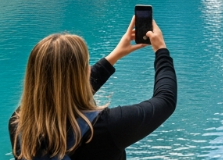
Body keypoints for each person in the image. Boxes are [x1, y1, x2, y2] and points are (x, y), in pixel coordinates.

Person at [9, 17, 176, 160]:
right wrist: (161, 50)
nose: (90, 69)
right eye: (85, 65)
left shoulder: (19, 124)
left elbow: (63, 91)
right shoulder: (106, 128)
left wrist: (115, 55)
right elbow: (165, 100)